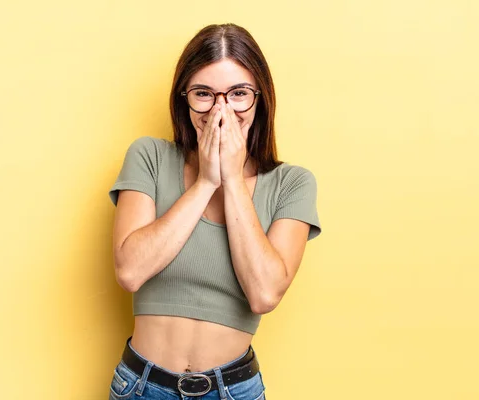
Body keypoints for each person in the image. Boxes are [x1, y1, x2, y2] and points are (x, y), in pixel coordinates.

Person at [107, 23, 321, 400]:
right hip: (142, 387)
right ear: (183, 99)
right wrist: (206, 182)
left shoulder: (292, 183)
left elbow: (265, 295)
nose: (221, 110)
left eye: (238, 94)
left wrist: (232, 179)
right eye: (204, 93)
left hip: (232, 390)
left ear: (260, 98)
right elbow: (130, 271)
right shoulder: (149, 157)